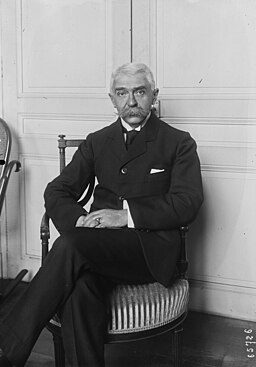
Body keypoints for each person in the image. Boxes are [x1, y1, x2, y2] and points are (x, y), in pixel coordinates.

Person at [0, 62, 203, 367]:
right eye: (122, 93)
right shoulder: (98, 141)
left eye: (139, 92)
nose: (131, 102)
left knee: (70, 245)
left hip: (148, 250)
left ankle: (8, 349)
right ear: (111, 99)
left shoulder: (179, 142)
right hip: (95, 248)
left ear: (154, 96)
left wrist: (124, 216)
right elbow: (56, 191)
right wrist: (79, 221)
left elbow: (188, 202)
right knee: (80, 289)